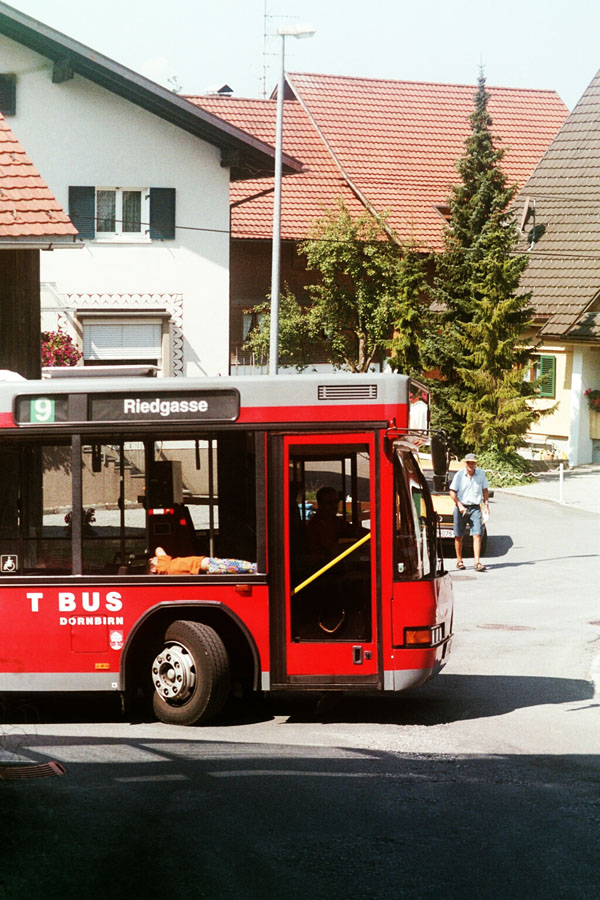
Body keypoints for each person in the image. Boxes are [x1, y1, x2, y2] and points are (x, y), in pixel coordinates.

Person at [449, 453, 490, 571]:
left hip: (475, 507)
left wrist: (486, 505)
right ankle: (459, 561)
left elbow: (485, 490)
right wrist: (459, 504)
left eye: (473, 463)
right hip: (461, 507)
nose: (471, 465)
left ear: (475, 464)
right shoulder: (459, 475)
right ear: (465, 463)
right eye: (469, 463)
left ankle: (477, 562)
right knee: (459, 535)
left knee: (477, 534)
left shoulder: (481, 474)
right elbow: (452, 492)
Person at [306, 486, 366, 562]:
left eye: (336, 501)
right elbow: (332, 550)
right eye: (330, 503)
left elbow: (352, 530)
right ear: (320, 504)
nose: (334, 506)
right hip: (324, 566)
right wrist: (360, 547)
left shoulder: (334, 520)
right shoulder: (317, 526)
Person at [149, 546, 257, 575]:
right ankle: (254, 567)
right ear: (153, 569)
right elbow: (158, 549)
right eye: (153, 560)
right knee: (234, 565)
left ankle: (252, 568)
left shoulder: (166, 568)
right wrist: (153, 560)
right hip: (207, 564)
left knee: (233, 566)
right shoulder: (163, 566)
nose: (154, 558)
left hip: (207, 566)